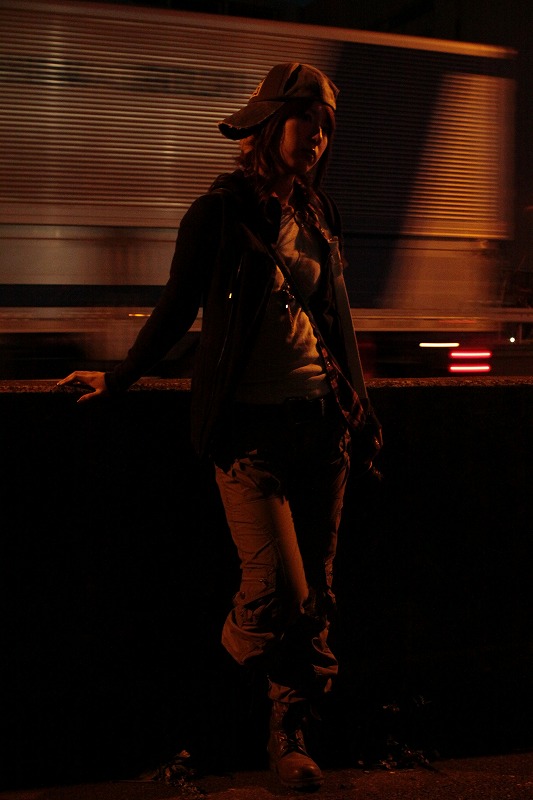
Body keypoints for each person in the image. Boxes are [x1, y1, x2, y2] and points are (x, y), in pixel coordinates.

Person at [57, 62, 381, 791]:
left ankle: (289, 738)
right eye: (306, 121)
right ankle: (235, 652)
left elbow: (338, 324)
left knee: (317, 596)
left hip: (320, 427)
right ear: (268, 125)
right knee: (282, 594)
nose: (319, 137)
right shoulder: (218, 214)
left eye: (327, 126)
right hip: (249, 436)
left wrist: (361, 413)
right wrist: (118, 377)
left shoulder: (318, 215)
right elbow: (176, 309)